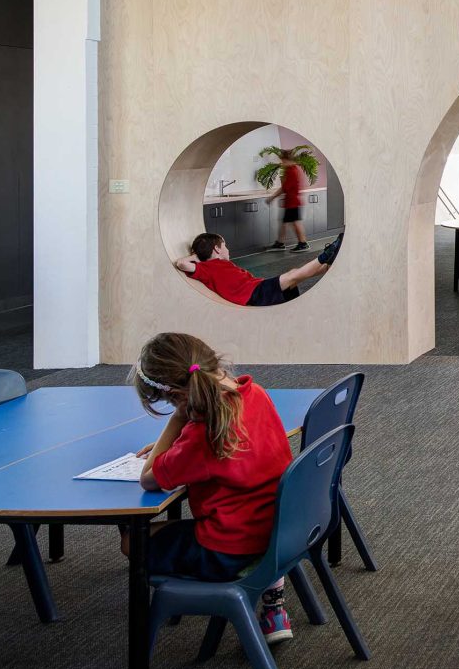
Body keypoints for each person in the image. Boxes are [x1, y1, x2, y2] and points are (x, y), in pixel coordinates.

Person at [126, 333, 297, 643]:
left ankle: (188, 598)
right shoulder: (255, 393)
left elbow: (148, 477)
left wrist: (178, 423)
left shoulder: (202, 434)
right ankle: (273, 600)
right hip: (278, 533)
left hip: (229, 549)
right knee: (235, 511)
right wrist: (181, 442)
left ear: (177, 396)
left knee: (132, 540)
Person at [177, 231, 340, 307]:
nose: (228, 249)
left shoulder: (220, 265)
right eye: (224, 246)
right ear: (217, 249)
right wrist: (197, 257)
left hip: (256, 287)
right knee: (292, 276)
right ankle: (327, 254)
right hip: (253, 294)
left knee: (294, 277)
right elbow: (182, 264)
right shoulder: (205, 268)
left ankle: (327, 264)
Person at [269, 151, 311, 252]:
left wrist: (272, 197)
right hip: (290, 201)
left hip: (293, 202)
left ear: (287, 160)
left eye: (283, 161)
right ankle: (280, 243)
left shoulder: (292, 171)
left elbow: (284, 188)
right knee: (285, 222)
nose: (282, 163)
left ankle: (303, 243)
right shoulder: (293, 169)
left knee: (295, 222)